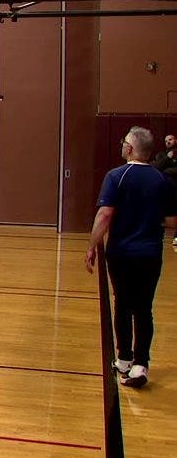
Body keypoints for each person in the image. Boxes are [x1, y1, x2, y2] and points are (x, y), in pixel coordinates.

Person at [86, 126, 177, 388]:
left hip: (122, 253)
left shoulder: (116, 176)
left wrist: (92, 246)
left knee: (123, 305)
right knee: (143, 308)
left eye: (125, 141)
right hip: (150, 253)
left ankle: (124, 358)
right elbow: (171, 220)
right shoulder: (163, 181)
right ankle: (140, 364)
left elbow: (104, 215)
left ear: (131, 148)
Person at [153, 133, 177, 245]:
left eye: (170, 139)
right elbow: (157, 167)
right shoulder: (161, 155)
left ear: (175, 140)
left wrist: (166, 170)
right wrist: (168, 158)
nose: (168, 142)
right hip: (165, 189)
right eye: (166, 140)